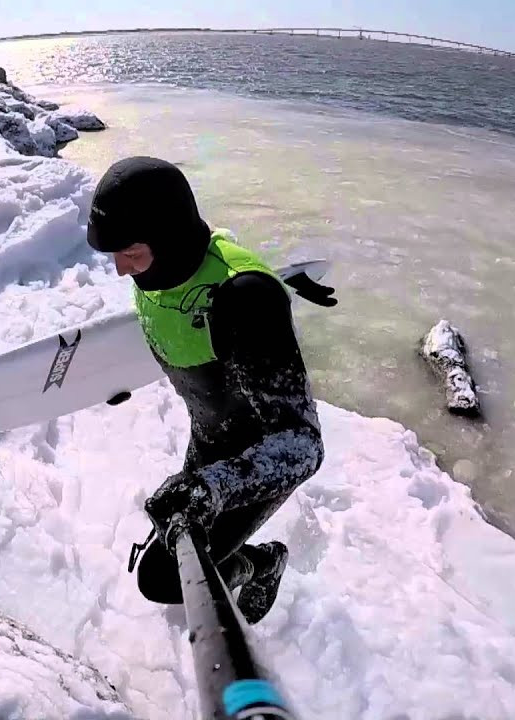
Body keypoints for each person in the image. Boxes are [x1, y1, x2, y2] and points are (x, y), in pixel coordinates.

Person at [86, 156, 336, 624]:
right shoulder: (161, 270)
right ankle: (241, 554)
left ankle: (264, 564)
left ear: (169, 238)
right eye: (116, 255)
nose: (122, 271)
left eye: (132, 254)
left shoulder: (245, 302)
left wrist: (214, 488)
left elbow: (304, 446)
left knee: (160, 579)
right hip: (207, 442)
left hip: (255, 462)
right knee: (179, 555)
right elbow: (191, 309)